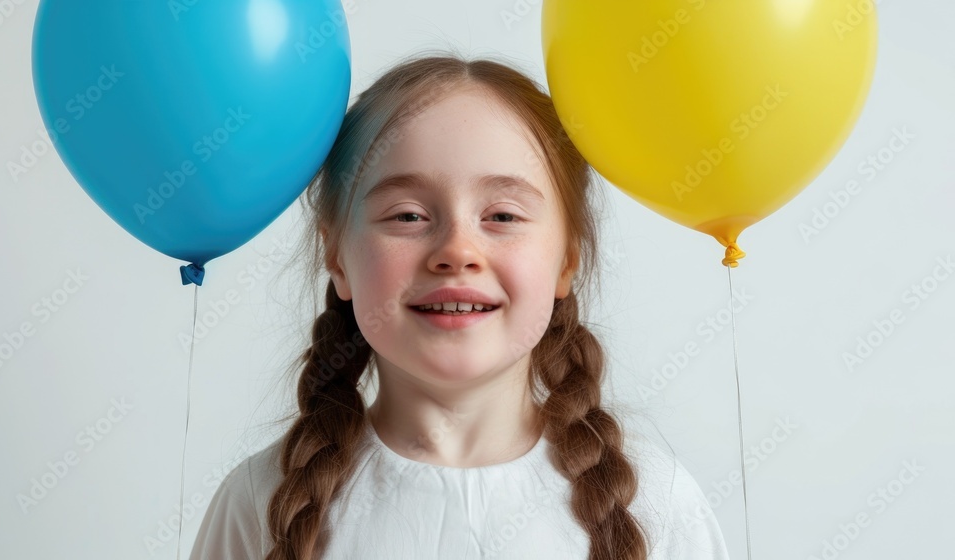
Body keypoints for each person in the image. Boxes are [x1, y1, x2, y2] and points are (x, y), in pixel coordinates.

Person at [189, 53, 731, 560]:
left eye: (502, 216)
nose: (457, 253)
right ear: (337, 257)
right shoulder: (259, 503)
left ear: (567, 259)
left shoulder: (658, 506)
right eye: (407, 216)